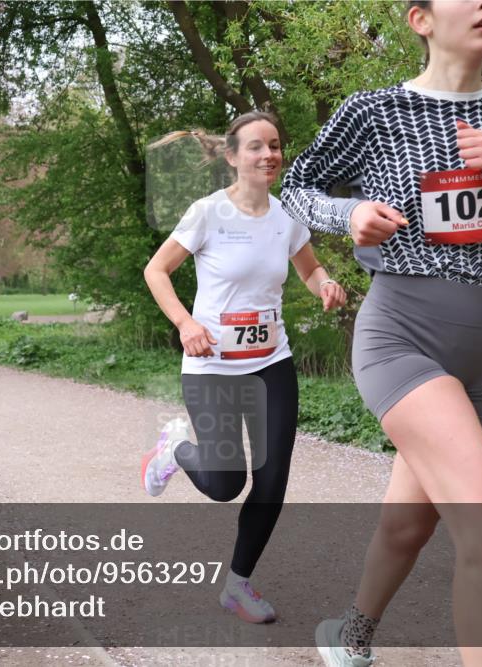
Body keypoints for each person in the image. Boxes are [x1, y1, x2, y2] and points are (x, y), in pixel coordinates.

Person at [280, 1, 482, 665]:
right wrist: (348, 210)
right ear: (420, 19)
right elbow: (295, 191)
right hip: (401, 336)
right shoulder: (372, 112)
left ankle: (348, 635)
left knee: (408, 521)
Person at [142, 111, 347, 624]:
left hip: (270, 363)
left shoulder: (287, 216)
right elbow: (157, 270)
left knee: (272, 478)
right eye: (256, 146)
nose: (269, 155)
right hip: (212, 366)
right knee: (224, 483)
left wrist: (323, 284)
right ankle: (174, 450)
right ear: (232, 156)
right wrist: (186, 323)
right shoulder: (208, 213)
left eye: (275, 145)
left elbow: (308, 266)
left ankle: (238, 584)